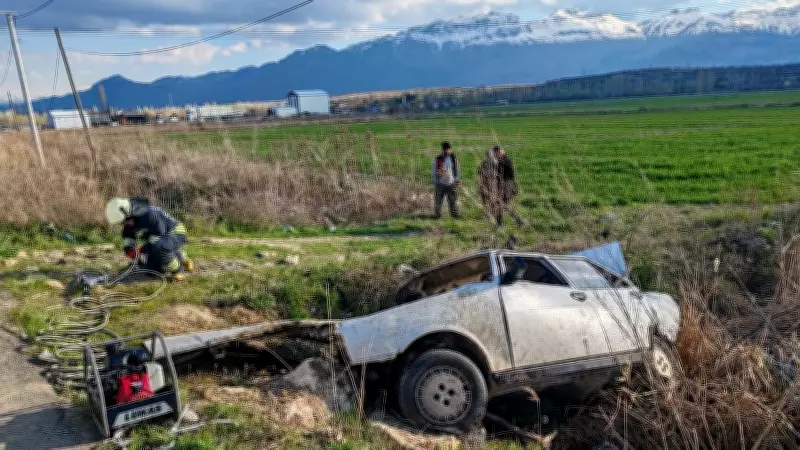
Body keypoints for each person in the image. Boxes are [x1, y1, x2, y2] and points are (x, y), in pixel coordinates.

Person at [105, 197, 194, 280]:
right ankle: (175, 259)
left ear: (131, 215)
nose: (123, 225)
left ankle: (178, 268)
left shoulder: (151, 215)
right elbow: (129, 241)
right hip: (157, 240)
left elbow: (160, 239)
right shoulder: (128, 223)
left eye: (124, 222)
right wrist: (131, 251)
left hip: (175, 232)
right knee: (152, 271)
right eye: (121, 223)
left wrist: (142, 250)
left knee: (161, 247)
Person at [477, 145, 526, 227]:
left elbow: (507, 175)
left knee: (501, 205)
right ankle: (502, 223)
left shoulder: (502, 162)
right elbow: (480, 172)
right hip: (497, 188)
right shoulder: (493, 162)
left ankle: (515, 221)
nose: (492, 155)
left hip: (504, 188)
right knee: (500, 205)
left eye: (492, 154)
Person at [432, 141, 461, 219]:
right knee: (438, 201)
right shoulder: (438, 159)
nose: (447, 151)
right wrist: (435, 181)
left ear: (450, 149)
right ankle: (437, 216)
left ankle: (455, 216)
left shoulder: (454, 159)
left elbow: (457, 170)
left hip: (451, 183)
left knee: (453, 201)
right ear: (442, 150)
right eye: (445, 149)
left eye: (448, 149)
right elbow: (434, 170)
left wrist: (457, 179)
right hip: (440, 183)